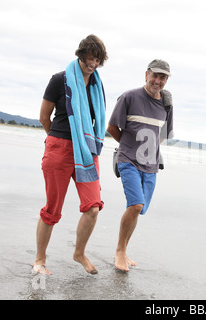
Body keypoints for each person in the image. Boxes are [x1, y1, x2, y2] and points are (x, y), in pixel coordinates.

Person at [33, 35, 108, 275]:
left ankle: (79, 253)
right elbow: (44, 116)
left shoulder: (97, 85)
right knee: (52, 208)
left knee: (93, 207)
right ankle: (40, 260)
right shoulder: (60, 80)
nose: (92, 63)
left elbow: (98, 120)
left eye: (97, 59)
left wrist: (82, 144)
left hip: (86, 152)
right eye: (89, 57)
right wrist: (57, 140)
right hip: (60, 148)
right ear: (80, 55)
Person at [107, 59, 174, 272]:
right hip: (127, 160)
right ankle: (119, 251)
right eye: (155, 75)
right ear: (146, 74)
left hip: (151, 165)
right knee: (135, 204)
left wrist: (149, 150)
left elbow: (163, 134)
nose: (158, 80)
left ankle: (124, 251)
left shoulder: (167, 104)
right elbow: (112, 127)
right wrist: (129, 147)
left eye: (162, 77)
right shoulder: (129, 97)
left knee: (139, 210)